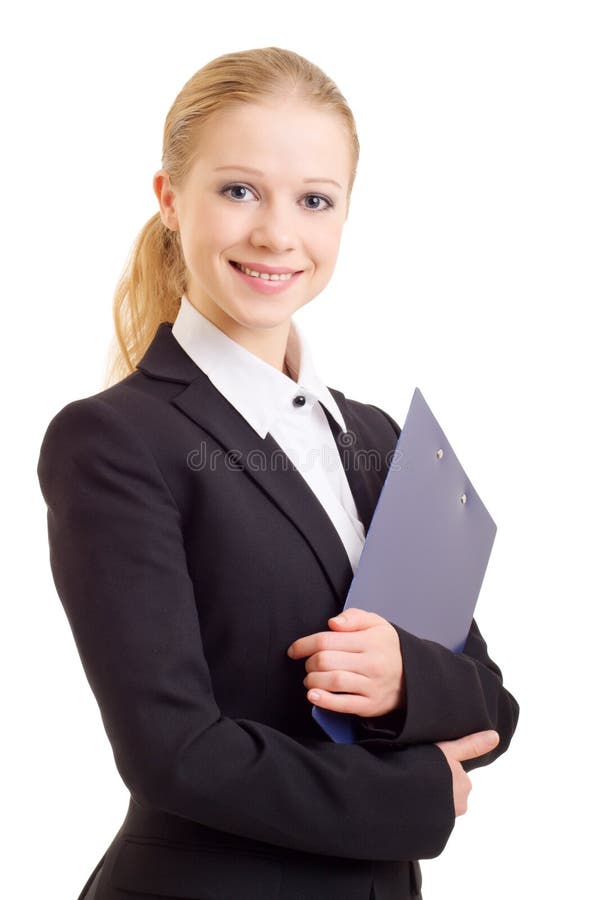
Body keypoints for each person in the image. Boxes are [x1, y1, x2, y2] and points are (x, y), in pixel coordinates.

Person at [37, 46, 519, 900]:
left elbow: (490, 705)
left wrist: (407, 676)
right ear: (169, 199)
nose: (277, 234)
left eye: (314, 201)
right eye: (238, 190)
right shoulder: (113, 441)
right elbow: (172, 754)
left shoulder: (377, 437)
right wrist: (416, 794)